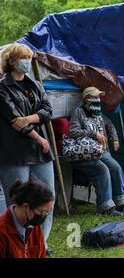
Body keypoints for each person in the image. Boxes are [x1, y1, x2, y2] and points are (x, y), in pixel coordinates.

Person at [0, 43, 55, 253]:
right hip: (15, 152)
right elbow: (14, 121)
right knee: (18, 201)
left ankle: (42, 242)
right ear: (12, 61)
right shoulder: (2, 87)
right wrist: (39, 138)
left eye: (30, 58)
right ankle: (17, 242)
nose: (28, 62)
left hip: (40, 152)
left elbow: (47, 109)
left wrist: (29, 119)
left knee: (47, 197)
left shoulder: (35, 85)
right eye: (24, 58)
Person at [69, 87, 124, 216]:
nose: (98, 100)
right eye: (94, 97)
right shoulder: (78, 112)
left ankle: (121, 202)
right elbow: (73, 132)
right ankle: (106, 207)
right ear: (86, 99)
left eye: (98, 97)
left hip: (102, 151)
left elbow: (110, 125)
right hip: (86, 152)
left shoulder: (99, 113)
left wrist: (114, 139)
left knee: (116, 167)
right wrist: (93, 134)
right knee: (102, 169)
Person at [0, 180, 54, 258]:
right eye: (42, 212)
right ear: (26, 206)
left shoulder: (34, 226)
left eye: (46, 213)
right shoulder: (2, 232)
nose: (43, 216)